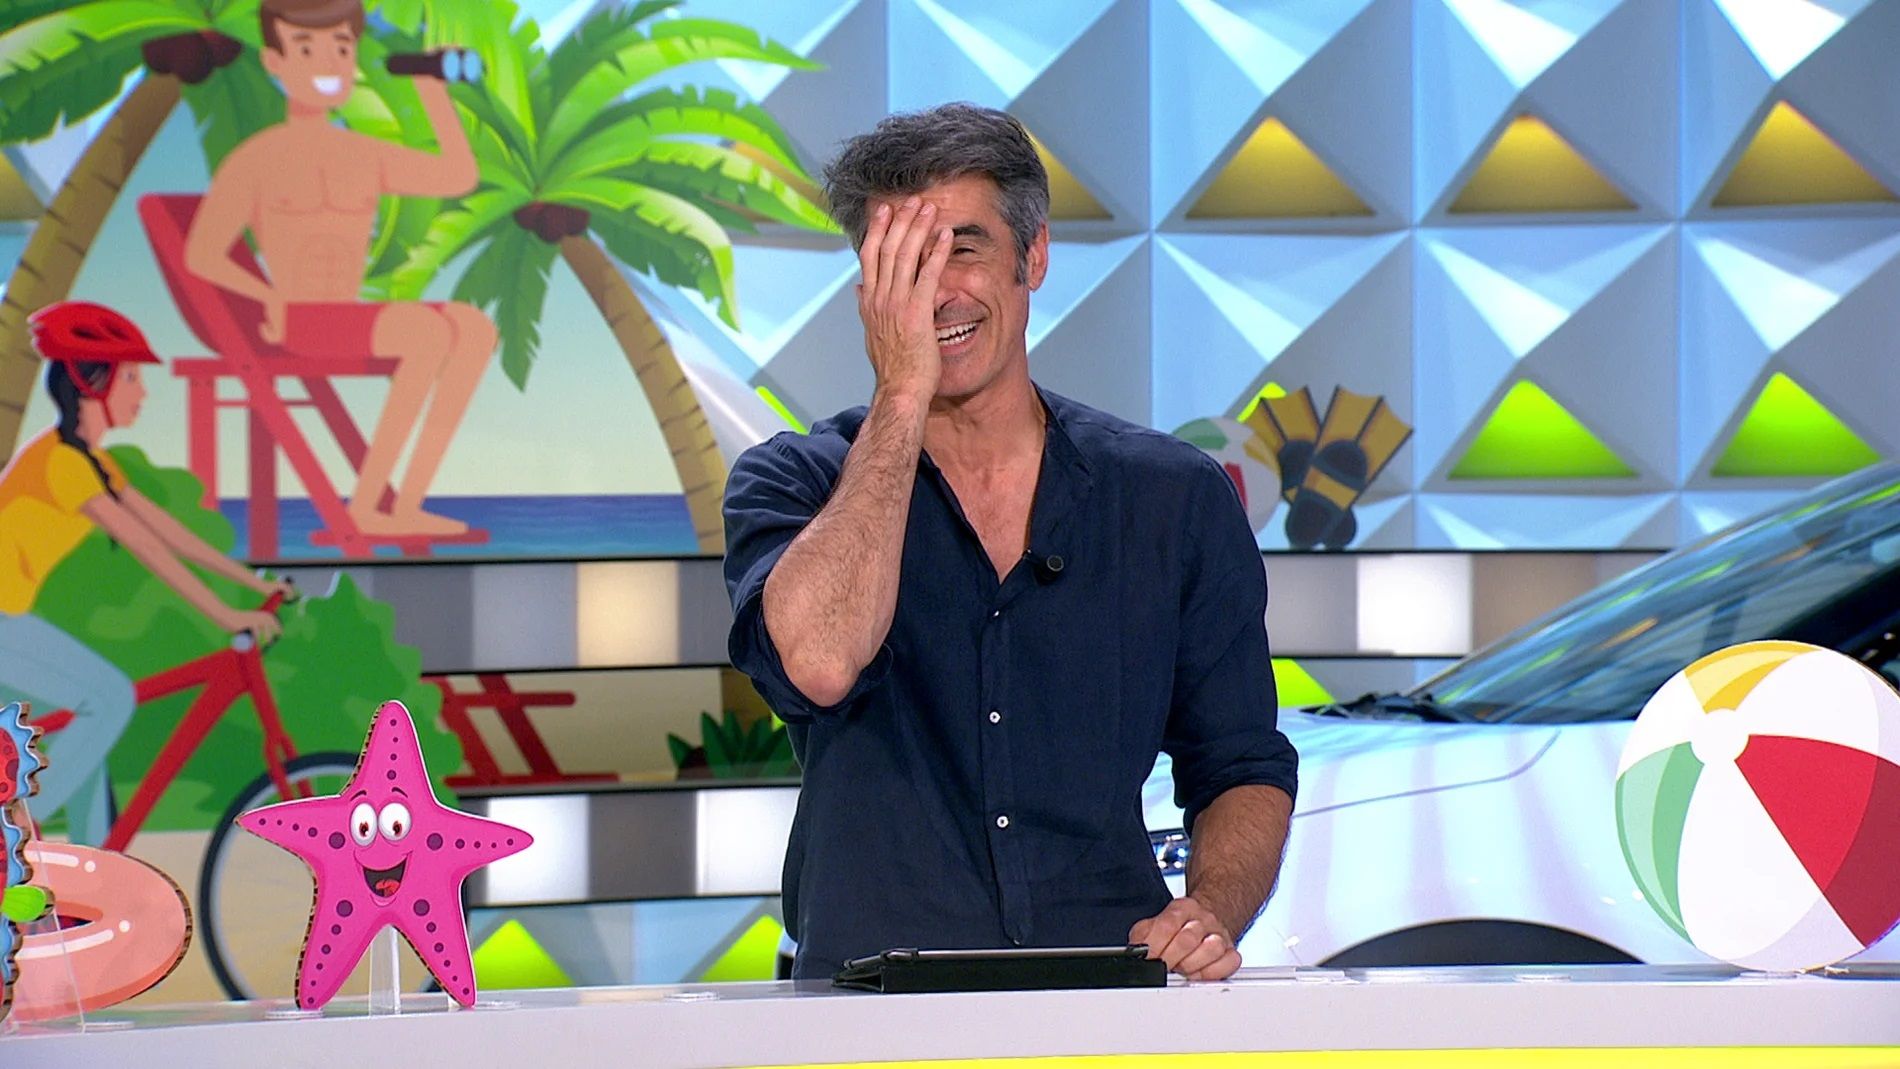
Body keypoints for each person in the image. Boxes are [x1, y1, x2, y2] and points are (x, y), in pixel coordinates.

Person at [723, 104, 1298, 982]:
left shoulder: (1171, 498)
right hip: (868, 1011)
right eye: (904, 261)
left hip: (1108, 995)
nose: (938, 291)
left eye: (963, 248)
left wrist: (1211, 909)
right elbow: (822, 662)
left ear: (1033, 257)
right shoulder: (794, 484)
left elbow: (1241, 764)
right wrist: (902, 393)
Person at [185, 0, 496, 539]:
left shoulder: (361, 154)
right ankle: (366, 507)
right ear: (275, 62)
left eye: (342, 48)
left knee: (474, 328)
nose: (328, 62)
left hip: (348, 318)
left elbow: (455, 176)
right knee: (426, 333)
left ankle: (406, 506)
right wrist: (266, 296)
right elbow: (203, 253)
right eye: (306, 49)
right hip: (299, 321)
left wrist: (433, 93)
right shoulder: (259, 158)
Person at [0, 303, 293, 845]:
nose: (143, 393)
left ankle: (94, 877)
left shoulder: (91, 461)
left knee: (93, 737)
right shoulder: (62, 464)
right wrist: (226, 614)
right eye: (132, 378)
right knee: (110, 699)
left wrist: (254, 584)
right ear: (92, 382)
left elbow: (171, 534)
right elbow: (148, 549)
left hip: (9, 618)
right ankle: (15, 823)